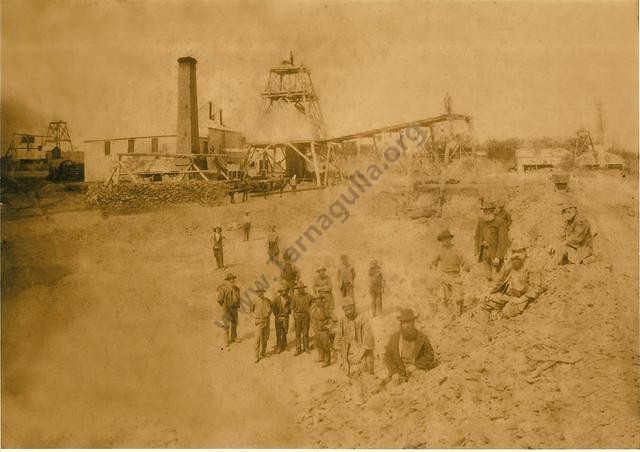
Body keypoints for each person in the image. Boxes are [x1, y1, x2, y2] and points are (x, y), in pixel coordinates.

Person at [482, 240, 544, 320]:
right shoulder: (510, 264)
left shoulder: (532, 265)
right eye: (514, 252)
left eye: (519, 252)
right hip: (508, 296)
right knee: (485, 301)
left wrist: (521, 299)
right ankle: (493, 315)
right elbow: (500, 280)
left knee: (507, 311)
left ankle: (498, 315)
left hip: (522, 297)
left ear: (525, 253)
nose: (516, 255)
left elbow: (536, 287)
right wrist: (489, 291)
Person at [382, 308, 437, 384]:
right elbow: (387, 357)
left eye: (409, 322)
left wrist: (416, 366)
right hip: (398, 373)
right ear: (401, 324)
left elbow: (429, 355)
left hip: (416, 372)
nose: (407, 325)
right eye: (404, 323)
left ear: (413, 322)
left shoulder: (422, 337)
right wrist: (394, 372)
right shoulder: (394, 338)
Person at [431, 229, 470, 315]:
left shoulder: (456, 250)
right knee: (446, 297)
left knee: (459, 296)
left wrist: (466, 266)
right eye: (444, 239)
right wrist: (433, 268)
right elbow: (433, 262)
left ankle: (460, 312)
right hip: (445, 276)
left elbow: (464, 260)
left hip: (455, 275)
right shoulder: (439, 251)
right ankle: (448, 314)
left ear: (450, 239)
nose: (446, 241)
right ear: (441, 241)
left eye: (448, 239)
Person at [334, 296, 375, 376]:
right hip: (348, 351)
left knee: (365, 372)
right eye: (346, 310)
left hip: (363, 351)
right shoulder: (342, 321)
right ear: (343, 310)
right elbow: (338, 338)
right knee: (347, 374)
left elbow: (369, 339)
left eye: (350, 309)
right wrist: (341, 356)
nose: (349, 312)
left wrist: (359, 356)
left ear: (354, 307)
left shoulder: (362, 318)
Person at [474, 201, 509, 280]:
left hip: (495, 252)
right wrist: (476, 250)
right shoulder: (481, 221)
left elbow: (503, 241)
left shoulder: (499, 222)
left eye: (488, 210)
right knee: (488, 277)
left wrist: (498, 256)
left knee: (498, 277)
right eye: (484, 210)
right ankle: (488, 290)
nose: (486, 212)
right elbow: (477, 236)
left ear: (493, 210)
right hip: (484, 252)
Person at [217, 273, 240, 347]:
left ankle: (234, 337)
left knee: (234, 322)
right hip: (226, 308)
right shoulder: (224, 289)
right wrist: (224, 306)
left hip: (234, 308)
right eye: (230, 279)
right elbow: (220, 299)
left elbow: (239, 298)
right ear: (228, 281)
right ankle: (226, 340)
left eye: (233, 279)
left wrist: (237, 305)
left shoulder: (237, 289)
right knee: (226, 324)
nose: (232, 280)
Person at [310, 294, 333, 367]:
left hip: (323, 329)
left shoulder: (325, 308)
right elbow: (312, 318)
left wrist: (327, 326)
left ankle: (327, 360)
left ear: (321, 300)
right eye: (315, 300)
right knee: (318, 344)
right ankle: (321, 357)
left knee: (325, 345)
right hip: (316, 329)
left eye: (319, 299)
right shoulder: (313, 308)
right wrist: (313, 327)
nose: (317, 301)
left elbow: (332, 319)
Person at [251, 287, 272, 363]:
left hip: (266, 321)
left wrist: (268, 314)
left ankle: (263, 352)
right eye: (259, 292)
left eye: (261, 292)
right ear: (257, 293)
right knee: (257, 339)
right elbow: (251, 310)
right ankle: (256, 356)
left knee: (265, 337)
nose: (260, 293)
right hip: (259, 322)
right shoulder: (254, 300)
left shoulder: (267, 300)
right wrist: (255, 317)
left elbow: (271, 308)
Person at [291, 282, 312, 355]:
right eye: (298, 289)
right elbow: (292, 308)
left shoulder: (308, 296)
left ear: (304, 288)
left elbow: (313, 304)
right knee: (298, 333)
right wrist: (294, 318)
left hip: (306, 316)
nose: (300, 290)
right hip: (297, 316)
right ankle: (298, 349)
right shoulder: (294, 297)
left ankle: (306, 347)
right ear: (297, 289)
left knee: (305, 333)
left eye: (301, 288)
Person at [271, 286, 291, 353]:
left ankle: (284, 345)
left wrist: (288, 312)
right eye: (282, 291)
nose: (284, 292)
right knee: (278, 333)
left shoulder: (289, 298)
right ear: (280, 292)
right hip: (278, 317)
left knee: (285, 331)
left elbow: (291, 307)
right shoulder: (276, 299)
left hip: (285, 317)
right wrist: (277, 315)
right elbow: (273, 308)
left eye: (285, 291)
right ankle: (279, 347)